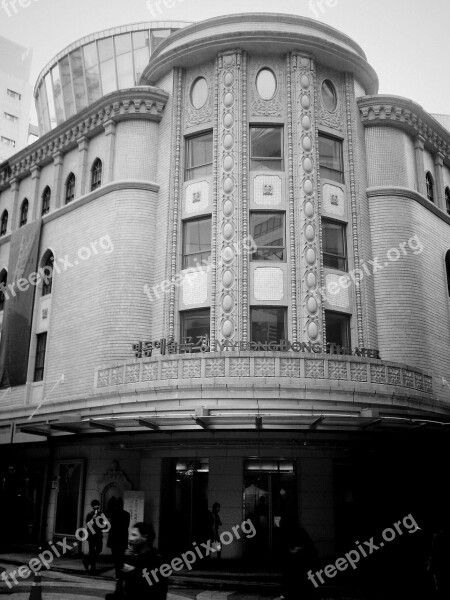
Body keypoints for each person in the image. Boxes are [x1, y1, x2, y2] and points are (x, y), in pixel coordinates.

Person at [106, 522, 167, 600]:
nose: (130, 539)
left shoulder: (157, 561)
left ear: (145, 537)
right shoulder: (131, 559)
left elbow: (154, 590)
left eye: (134, 535)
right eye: (131, 535)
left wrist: (133, 571)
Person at [107, 497, 131, 579]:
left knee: (115, 558)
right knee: (121, 557)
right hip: (122, 539)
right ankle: (120, 573)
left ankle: (117, 573)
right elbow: (126, 526)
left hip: (114, 539)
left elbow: (110, 526)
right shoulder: (127, 514)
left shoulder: (113, 514)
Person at [82, 499, 104, 575]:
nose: (96, 506)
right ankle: (92, 567)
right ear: (92, 506)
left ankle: (87, 561)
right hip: (92, 536)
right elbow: (88, 525)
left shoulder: (101, 514)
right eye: (95, 505)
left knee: (99, 549)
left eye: (97, 505)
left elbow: (104, 525)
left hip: (98, 535)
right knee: (91, 551)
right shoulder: (90, 514)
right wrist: (93, 519)